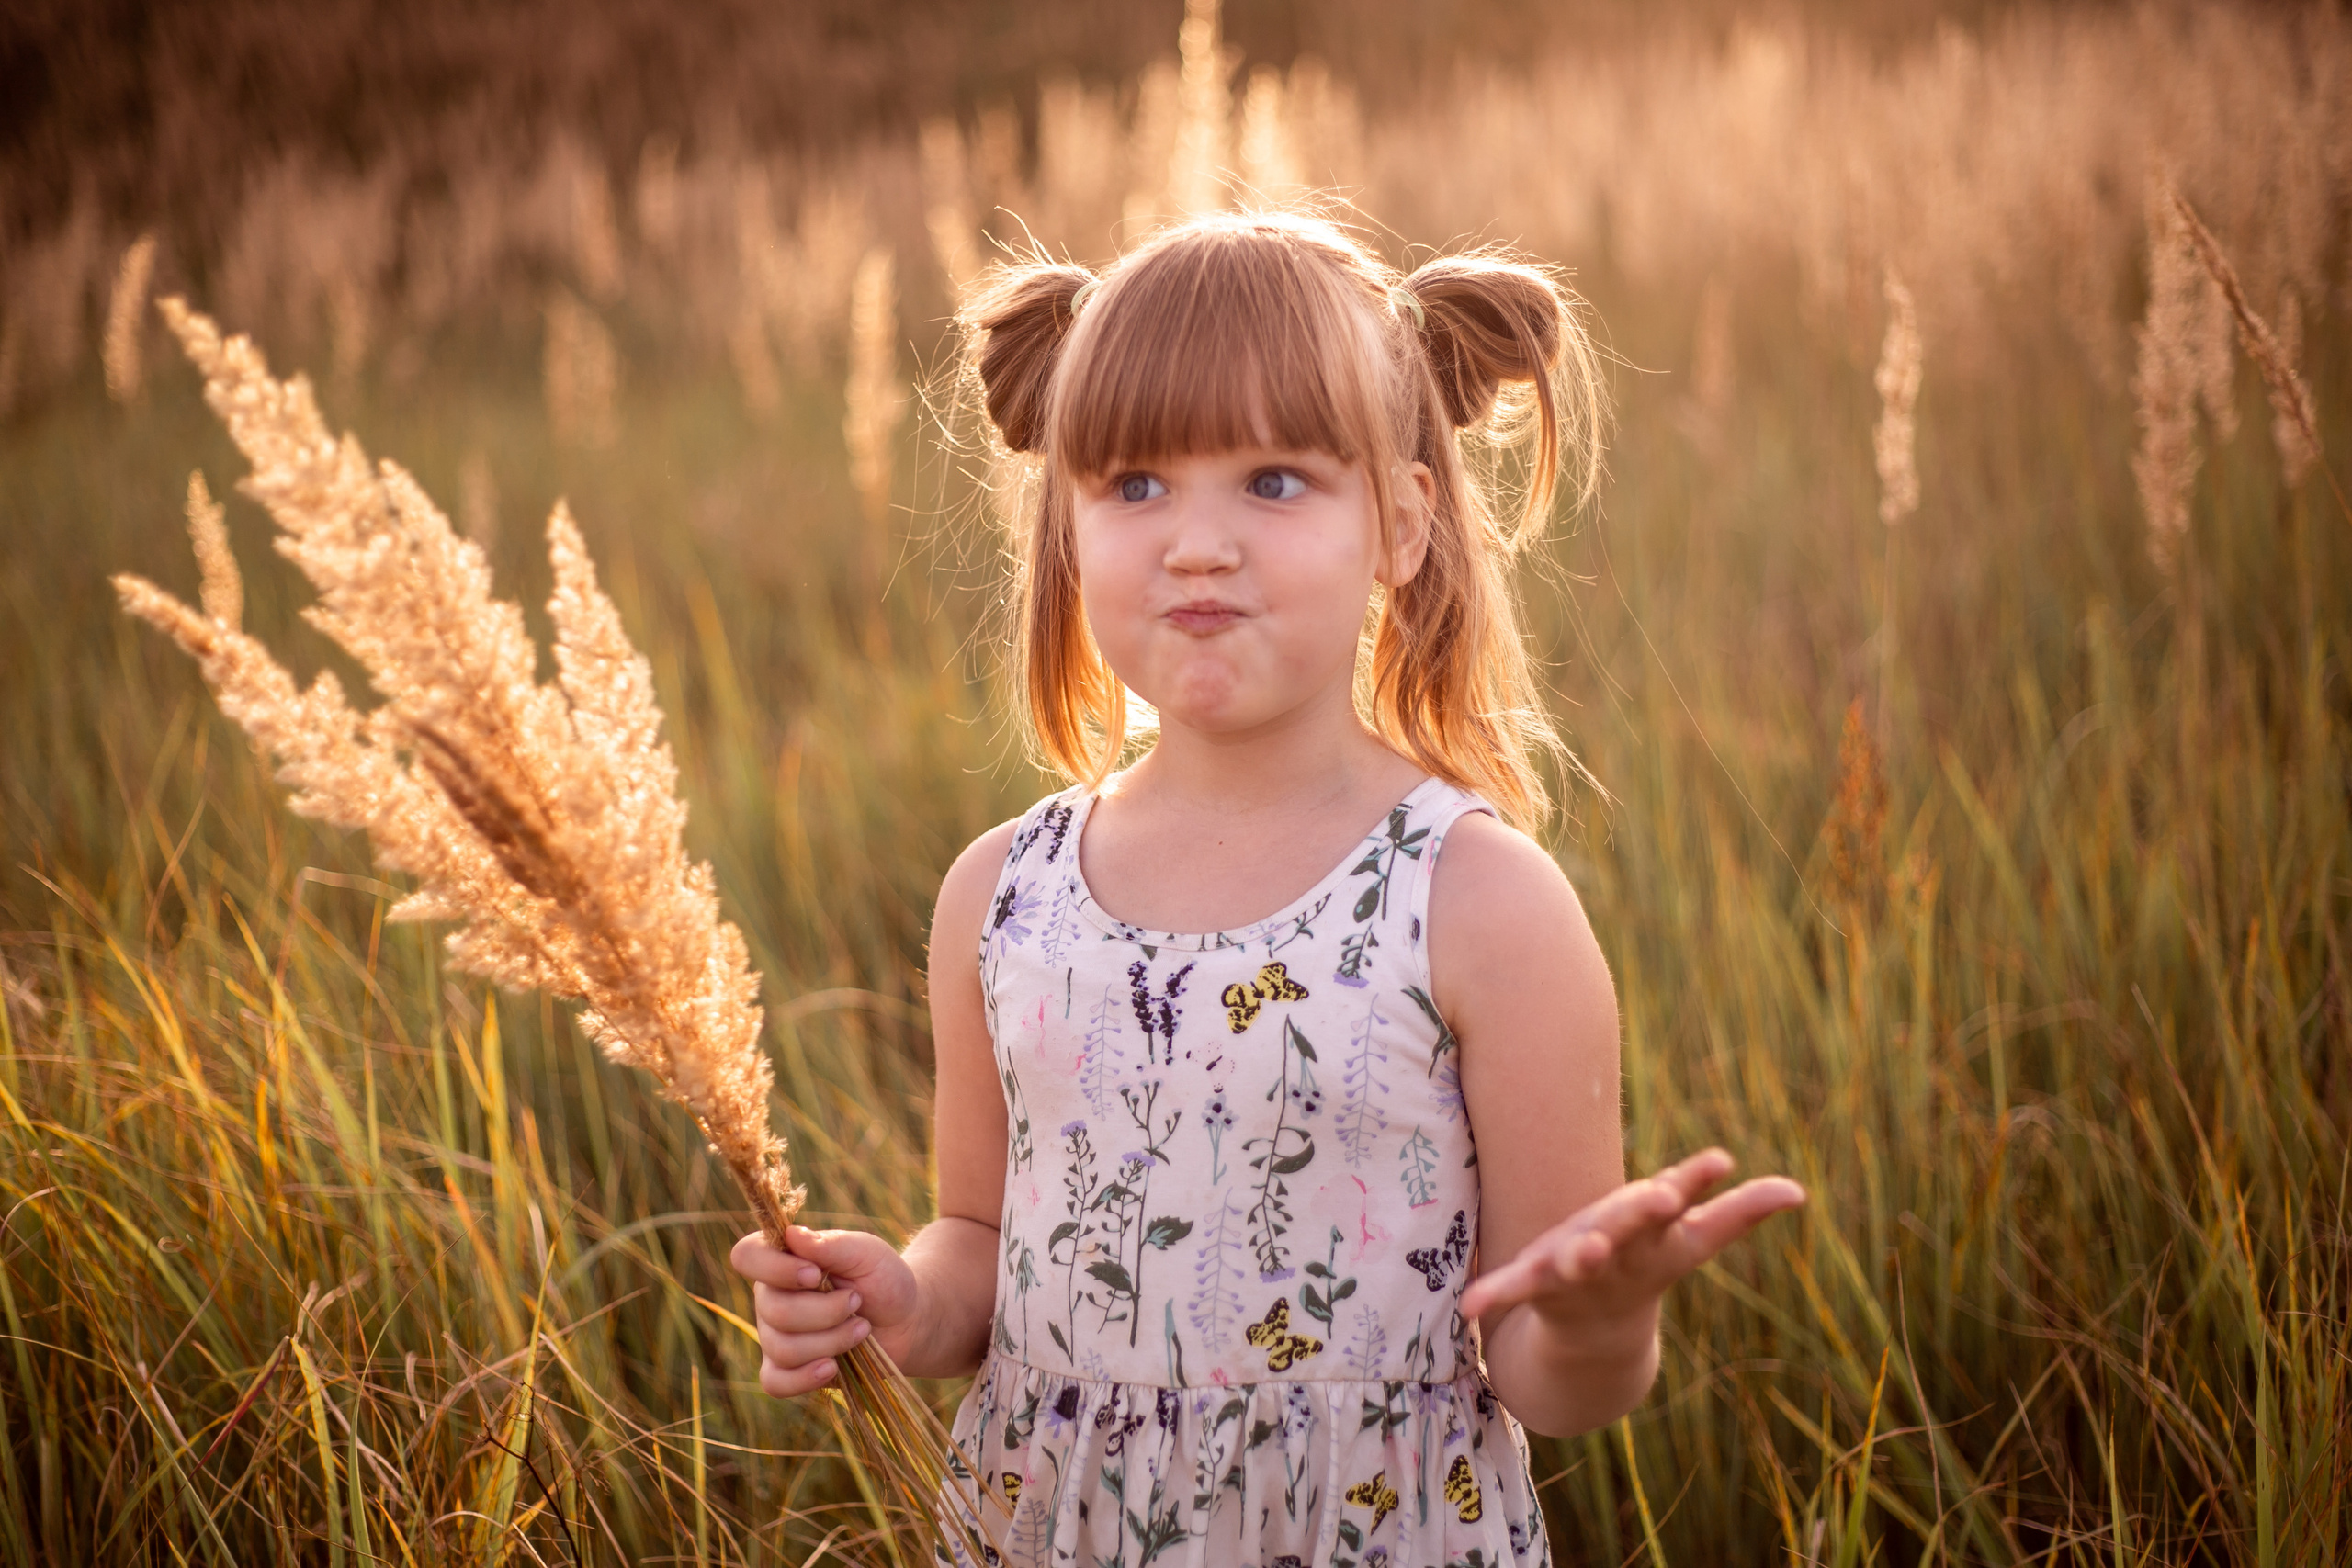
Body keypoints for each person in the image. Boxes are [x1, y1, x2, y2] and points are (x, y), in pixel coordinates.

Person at [731, 209, 1804, 1564]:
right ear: (1064, 522)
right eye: (1134, 486)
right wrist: (897, 1299)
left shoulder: (1476, 903)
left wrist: (1597, 1325)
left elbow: (1545, 1370)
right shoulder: (1002, 898)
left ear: (1402, 523)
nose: (1195, 543)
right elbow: (977, 1243)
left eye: (1275, 481)